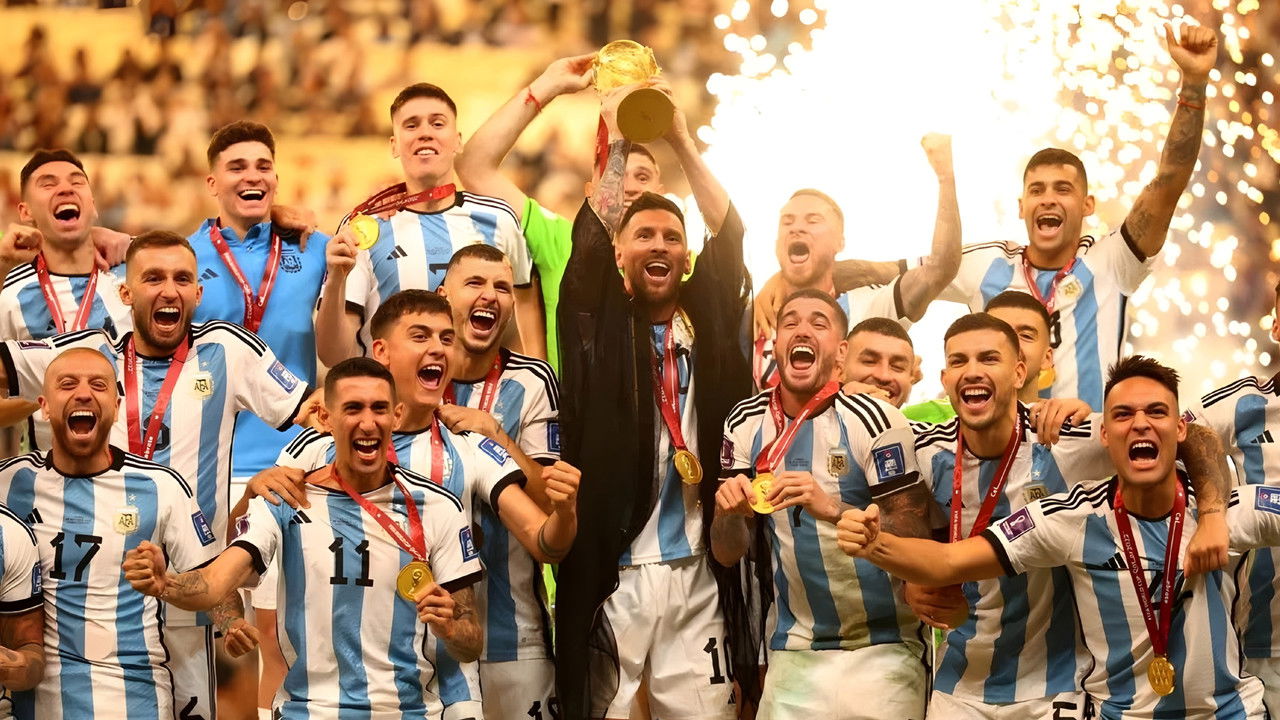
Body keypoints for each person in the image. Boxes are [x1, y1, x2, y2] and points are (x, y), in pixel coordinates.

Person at [765, 23, 1219, 410]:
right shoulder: (988, 263)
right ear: (1021, 207)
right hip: (997, 449)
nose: (1048, 200)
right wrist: (784, 282)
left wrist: (1194, 85)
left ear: (1087, 206)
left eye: (1063, 190)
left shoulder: (1111, 261)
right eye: (1036, 190)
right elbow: (892, 272)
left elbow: (1167, 183)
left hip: (1085, 451)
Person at [837, 356, 1268, 718]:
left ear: (1180, 430)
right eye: (1123, 415)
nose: (1141, 424)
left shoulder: (1230, 509)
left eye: (1157, 412)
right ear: (1103, 434)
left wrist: (1213, 517)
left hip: (1231, 712)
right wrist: (875, 544)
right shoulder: (1068, 517)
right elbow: (949, 562)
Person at [0, 231, 314, 719]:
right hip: (81, 610)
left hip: (192, 593)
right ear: (125, 293)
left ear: (198, 293)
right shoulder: (88, 353)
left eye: (182, 279)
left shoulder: (226, 349)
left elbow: (317, 412)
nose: (169, 290)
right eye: (153, 278)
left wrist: (283, 468)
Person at [246, 289, 579, 720]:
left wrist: (565, 511)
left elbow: (545, 544)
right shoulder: (315, 448)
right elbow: (250, 547)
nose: (438, 348)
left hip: (445, 690)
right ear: (381, 351)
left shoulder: (468, 447)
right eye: (420, 336)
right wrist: (254, 489)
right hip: (332, 698)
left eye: (446, 338)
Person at [123, 357, 484, 720]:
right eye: (353, 409)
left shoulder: (438, 507)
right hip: (308, 712)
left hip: (408, 712)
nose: (368, 422)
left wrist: (451, 628)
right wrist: (165, 584)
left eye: (379, 408)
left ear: (397, 416)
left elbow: (471, 643)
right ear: (326, 418)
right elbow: (215, 583)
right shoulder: (285, 499)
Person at [556, 73, 751, 719]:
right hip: (615, 567)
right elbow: (589, 238)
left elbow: (730, 232)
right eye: (643, 235)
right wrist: (617, 137)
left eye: (672, 237)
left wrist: (681, 139)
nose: (660, 244)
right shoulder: (596, 322)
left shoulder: (710, 320)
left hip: (700, 567)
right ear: (619, 255)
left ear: (687, 257)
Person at [0, 348, 254, 719]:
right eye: (67, 384)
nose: (83, 393)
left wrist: (227, 620)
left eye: (98, 385)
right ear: (44, 407)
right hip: (35, 702)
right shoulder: (8, 482)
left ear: (116, 407)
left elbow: (214, 583)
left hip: (135, 698)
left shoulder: (161, 486)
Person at [713, 289, 926, 720]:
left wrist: (832, 508)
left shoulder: (877, 418)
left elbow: (916, 535)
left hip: (884, 645)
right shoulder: (744, 421)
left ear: (841, 352)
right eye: (790, 322)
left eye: (819, 323)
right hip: (795, 648)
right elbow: (726, 551)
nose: (802, 330)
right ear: (775, 343)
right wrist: (727, 514)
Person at [456, 53, 669, 374]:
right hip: (569, 406)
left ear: (661, 193)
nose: (627, 187)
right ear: (590, 192)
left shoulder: (678, 261)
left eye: (642, 176)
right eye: (614, 174)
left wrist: (679, 137)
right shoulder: (559, 240)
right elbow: (473, 166)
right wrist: (546, 87)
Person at [315, 83, 540, 365]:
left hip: (479, 393)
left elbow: (527, 298)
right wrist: (335, 280)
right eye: (411, 125)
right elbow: (332, 356)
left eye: (437, 123)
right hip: (388, 392)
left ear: (457, 141)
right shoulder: (363, 229)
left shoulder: (499, 218)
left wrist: (538, 371)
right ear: (394, 145)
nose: (425, 133)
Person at [435, 247, 566, 719]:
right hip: (429, 639)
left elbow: (549, 503)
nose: (490, 295)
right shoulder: (407, 379)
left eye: (503, 287)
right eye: (475, 283)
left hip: (518, 636)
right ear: (443, 295)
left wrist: (496, 435)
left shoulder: (533, 381)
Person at [751, 134, 960, 390]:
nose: (797, 228)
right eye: (787, 221)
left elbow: (939, 269)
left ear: (840, 242)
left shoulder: (866, 307)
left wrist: (945, 177)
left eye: (813, 220)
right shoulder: (752, 316)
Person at [189, 120, 329, 483]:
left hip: (298, 460)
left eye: (263, 167)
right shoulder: (184, 259)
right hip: (207, 466)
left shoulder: (316, 248)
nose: (252, 176)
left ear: (276, 181)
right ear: (212, 183)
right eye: (237, 168)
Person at [1181, 279, 1280, 715]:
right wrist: (1211, 511)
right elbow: (1176, 431)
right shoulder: (1244, 402)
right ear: (1276, 325)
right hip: (1264, 647)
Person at [0, 149, 130, 341]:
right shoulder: (13, 294)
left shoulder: (137, 273)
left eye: (77, 182)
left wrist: (135, 245)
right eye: (48, 184)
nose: (66, 189)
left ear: (92, 205)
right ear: (26, 212)